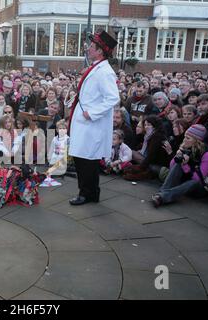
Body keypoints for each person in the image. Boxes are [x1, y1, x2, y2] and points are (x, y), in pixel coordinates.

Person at [68, 31, 120, 206]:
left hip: (91, 123)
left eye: (91, 47)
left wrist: (93, 112)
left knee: (85, 160)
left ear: (100, 51)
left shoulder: (105, 71)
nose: (88, 49)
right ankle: (91, 193)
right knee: (83, 158)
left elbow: (113, 98)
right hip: (84, 122)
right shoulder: (97, 67)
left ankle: (86, 193)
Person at [152, 125, 208, 207]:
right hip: (184, 183)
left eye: (188, 138)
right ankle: (161, 195)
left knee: (194, 182)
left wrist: (185, 165)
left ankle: (162, 196)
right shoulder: (187, 147)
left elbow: (198, 178)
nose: (184, 140)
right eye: (185, 137)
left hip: (201, 187)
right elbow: (172, 168)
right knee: (177, 165)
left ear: (197, 141)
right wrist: (177, 157)